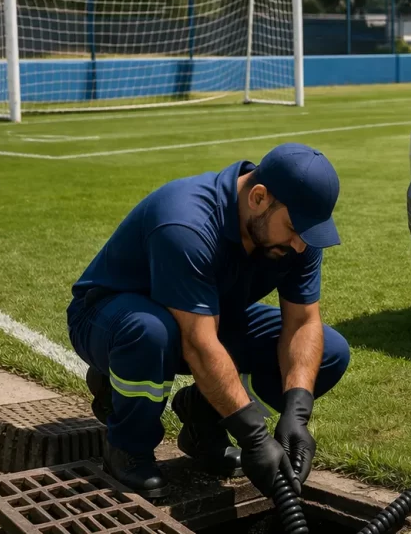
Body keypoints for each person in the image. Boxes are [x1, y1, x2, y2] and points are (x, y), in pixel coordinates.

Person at [65, 143, 351, 500]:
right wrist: (254, 436)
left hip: (208, 318)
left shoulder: (298, 232)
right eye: (293, 229)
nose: (298, 245)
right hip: (109, 319)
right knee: (151, 332)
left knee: (330, 351)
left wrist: (297, 412)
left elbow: (303, 324)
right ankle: (127, 445)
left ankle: (202, 416)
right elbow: (199, 345)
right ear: (258, 198)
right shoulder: (186, 221)